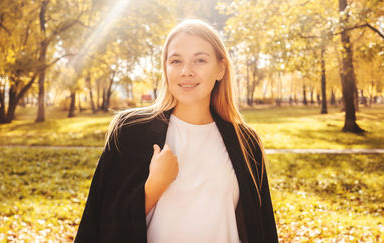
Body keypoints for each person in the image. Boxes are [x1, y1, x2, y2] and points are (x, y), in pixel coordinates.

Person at [74, 19, 278, 243]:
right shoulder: (130, 131)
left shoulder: (245, 142)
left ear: (220, 68)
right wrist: (154, 186)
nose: (186, 71)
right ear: (165, 68)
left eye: (200, 60)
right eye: (176, 61)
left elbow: (262, 228)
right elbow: (100, 224)